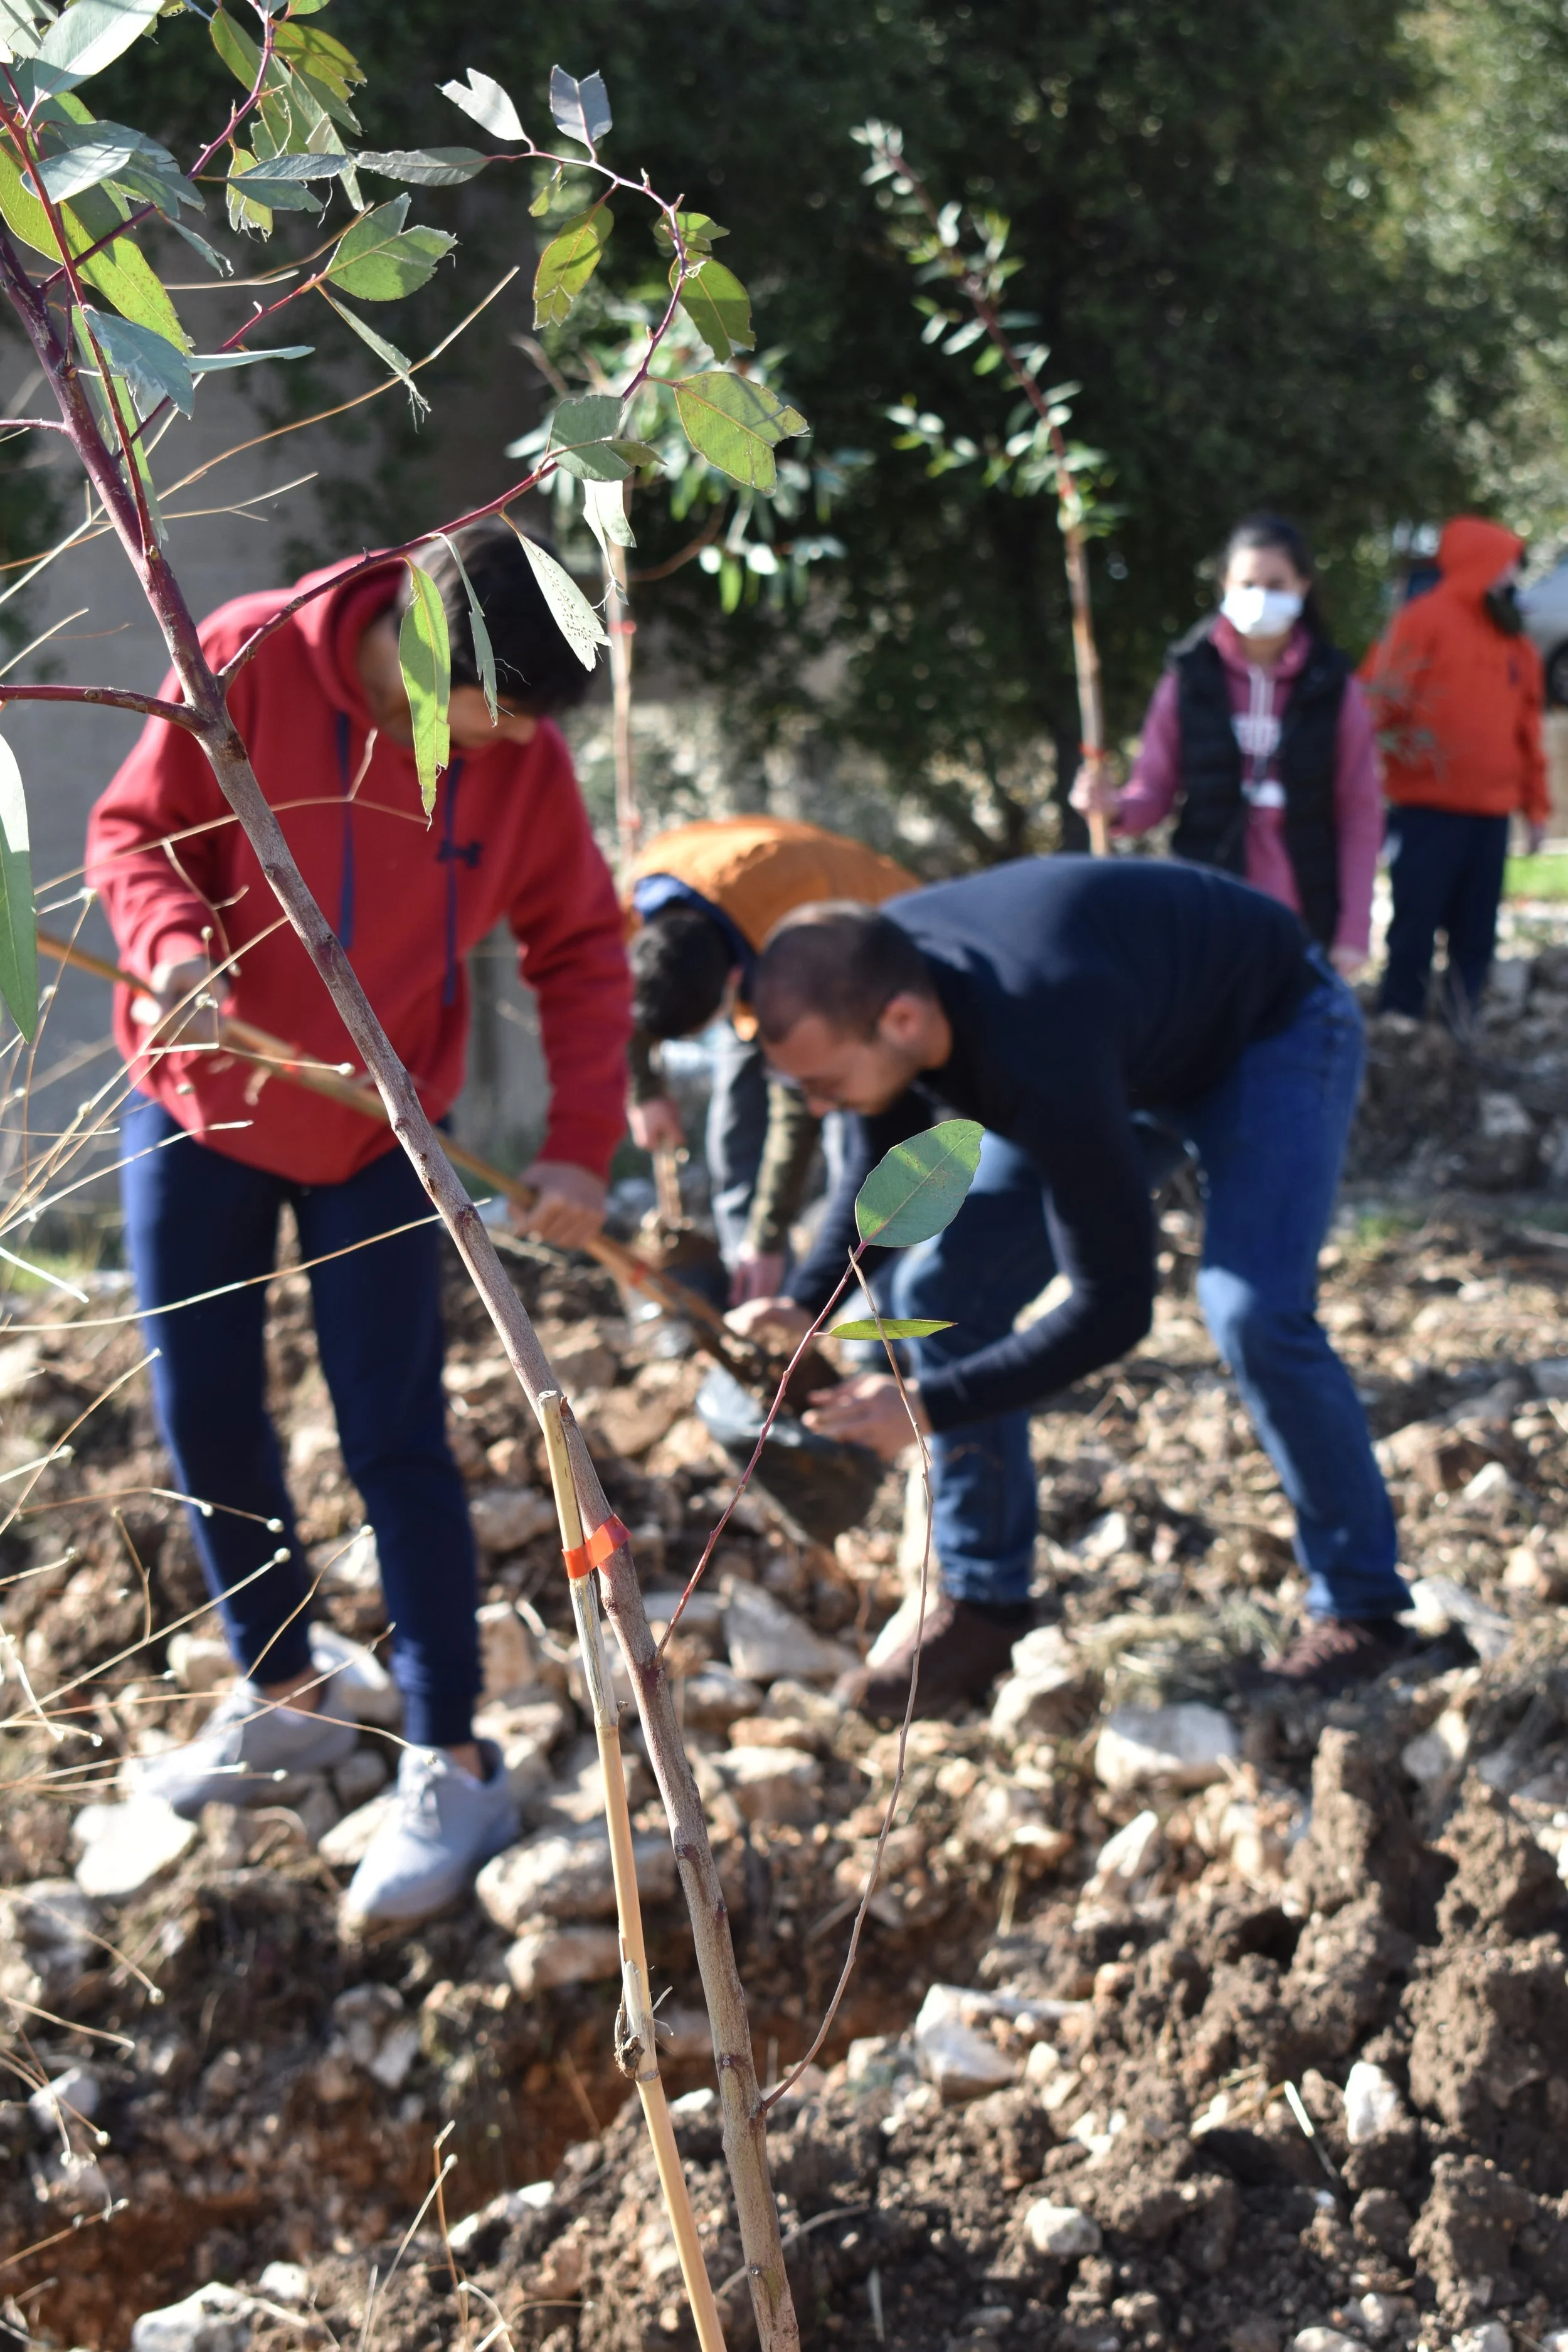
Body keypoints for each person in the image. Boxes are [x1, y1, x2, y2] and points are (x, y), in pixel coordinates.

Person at [86, 521, 632, 1923]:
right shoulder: (247, 659)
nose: (509, 745)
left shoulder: (525, 760)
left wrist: (578, 1148)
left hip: (386, 1129)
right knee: (202, 1403)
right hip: (203, 1097)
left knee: (396, 1429)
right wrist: (172, 949)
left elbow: (578, 943)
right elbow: (130, 831)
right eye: (496, 712)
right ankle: (289, 1688)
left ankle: (450, 1753)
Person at [729, 861, 1409, 1717]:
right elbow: (881, 1151)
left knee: (1254, 1309)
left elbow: (1116, 1309)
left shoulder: (1034, 1037)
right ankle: (986, 1603)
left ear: (902, 1019)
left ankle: (1365, 1609)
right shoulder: (875, 974)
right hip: (1120, 1050)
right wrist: (808, 1301)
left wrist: (927, 1406)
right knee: (948, 1284)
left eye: (824, 1084)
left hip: (1266, 1033)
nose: (820, 1108)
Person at [1072, 512, 1381, 975]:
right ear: (1224, 586)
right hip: (1210, 904)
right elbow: (1153, 790)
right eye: (1247, 583)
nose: (1261, 597)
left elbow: (1359, 811)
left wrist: (1354, 930)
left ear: (1302, 585)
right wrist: (1113, 808)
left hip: (1302, 912)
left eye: (1276, 584)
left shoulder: (1333, 686)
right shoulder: (1190, 678)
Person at [625, 817, 913, 1300]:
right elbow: (609, 996)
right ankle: (755, 1291)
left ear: (733, 982)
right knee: (734, 1125)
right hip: (750, 927)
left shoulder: (804, 945)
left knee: (855, 1137)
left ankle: (860, 1301)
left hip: (871, 955)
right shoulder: (638, 892)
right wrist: (645, 1090)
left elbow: (796, 1107)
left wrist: (770, 1234)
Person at [1360, 515, 1549, 1024]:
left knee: (1476, 930)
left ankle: (1462, 1025)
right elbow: (1379, 702)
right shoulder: (1423, 621)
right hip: (1427, 812)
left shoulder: (1516, 644)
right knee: (1415, 921)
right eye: (1507, 566)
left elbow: (1528, 733)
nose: (1513, 578)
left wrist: (1536, 809)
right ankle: (1400, 1021)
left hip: (1491, 817)